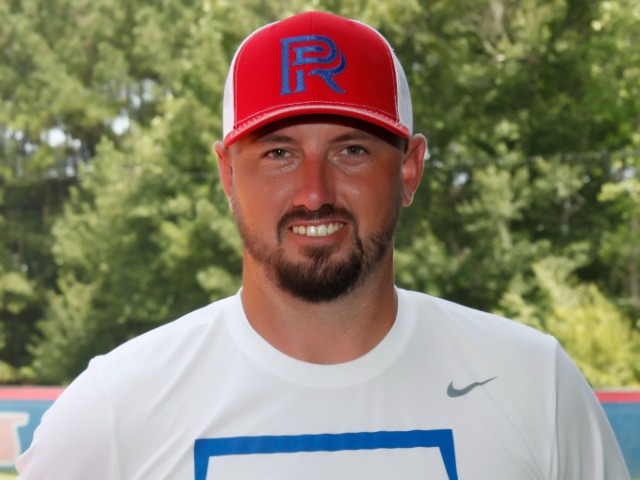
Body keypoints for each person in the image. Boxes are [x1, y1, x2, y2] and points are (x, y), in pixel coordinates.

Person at [17, 11, 630, 480]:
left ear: (409, 170)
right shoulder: (114, 413)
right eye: (279, 153)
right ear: (228, 174)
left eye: (352, 150)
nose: (315, 193)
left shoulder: (534, 385)